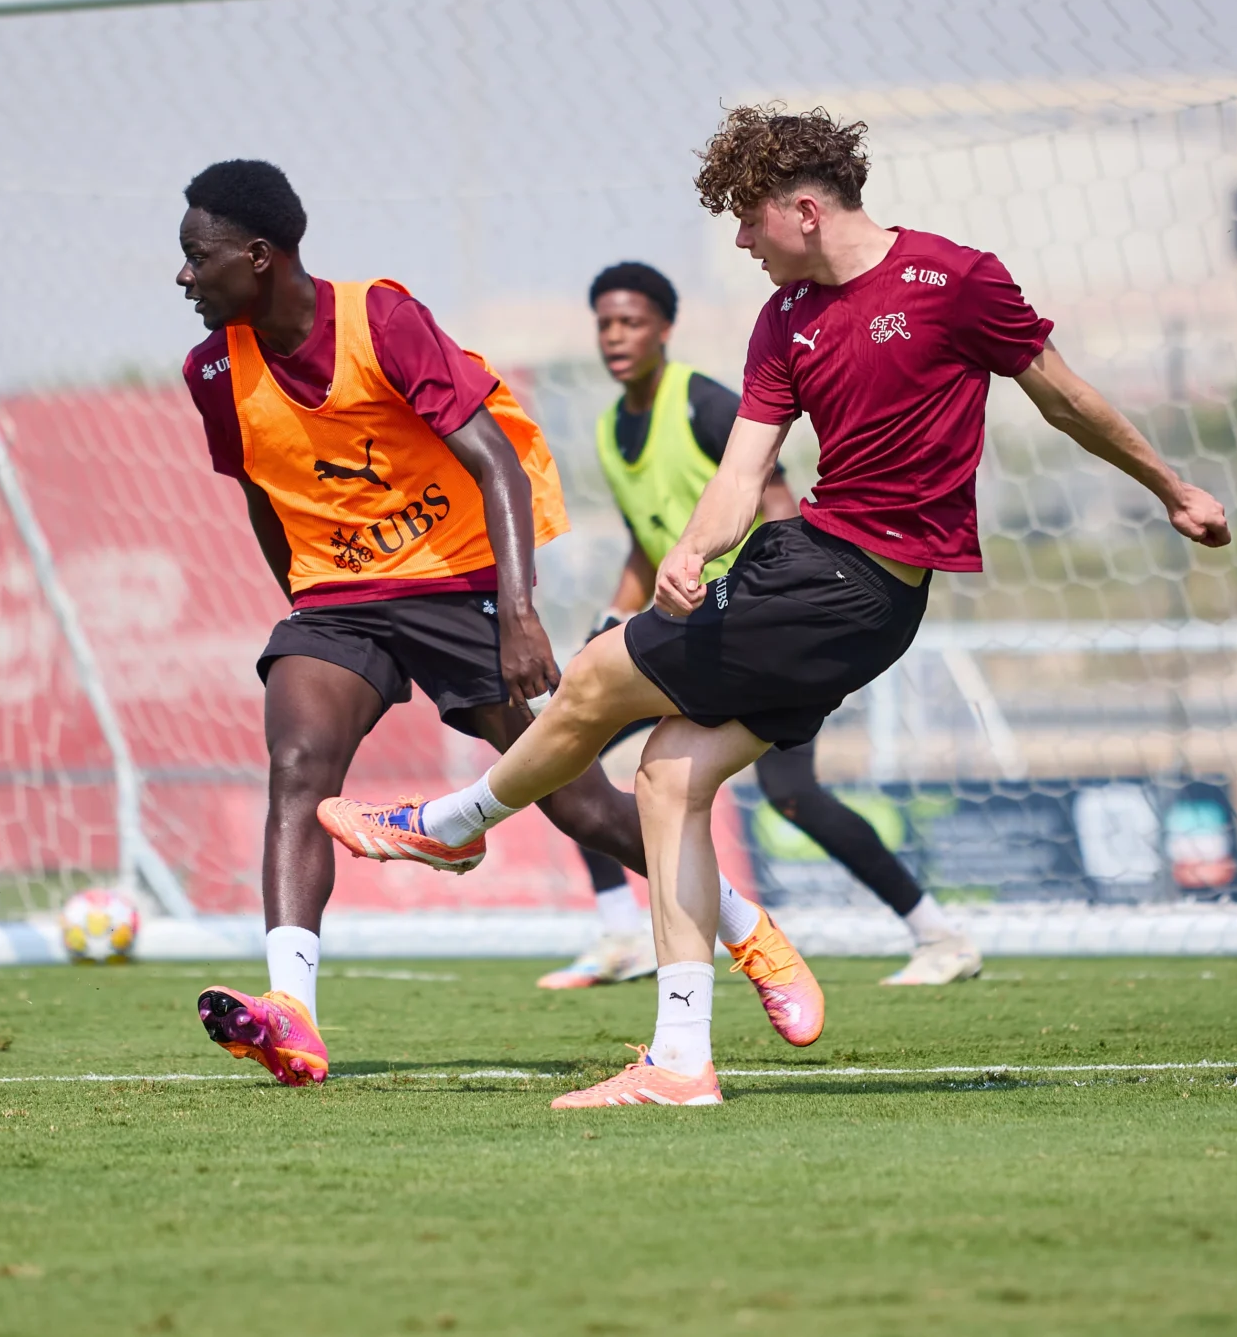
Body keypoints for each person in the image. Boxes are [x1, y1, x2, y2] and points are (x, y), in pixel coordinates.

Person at [322, 107, 1230, 1107]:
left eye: (749, 223)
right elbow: (742, 467)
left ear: (804, 209)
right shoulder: (783, 321)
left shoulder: (953, 280)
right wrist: (691, 553)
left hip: (843, 581)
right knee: (668, 779)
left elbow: (1062, 395)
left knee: (591, 677)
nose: (742, 244)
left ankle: (454, 821)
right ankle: (679, 1061)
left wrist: (1170, 486)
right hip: (823, 581)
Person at [174, 159, 817, 1087]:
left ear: (260, 256)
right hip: (338, 601)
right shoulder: (210, 370)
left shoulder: (381, 321)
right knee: (298, 763)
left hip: (454, 582)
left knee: (580, 801)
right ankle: (292, 1012)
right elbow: (264, 497)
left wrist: (516, 613)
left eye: (199, 257)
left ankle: (750, 932)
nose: (186, 277)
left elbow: (498, 464)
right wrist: (304, 605)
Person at [539, 260, 982, 992]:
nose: (616, 337)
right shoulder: (613, 429)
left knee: (792, 795)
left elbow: (774, 503)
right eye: (605, 324)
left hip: (757, 623)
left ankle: (936, 932)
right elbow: (643, 538)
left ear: (664, 330)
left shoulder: (706, 406)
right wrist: (612, 620)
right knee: (568, 736)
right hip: (689, 623)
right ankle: (622, 932)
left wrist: (780, 606)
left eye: (632, 322)